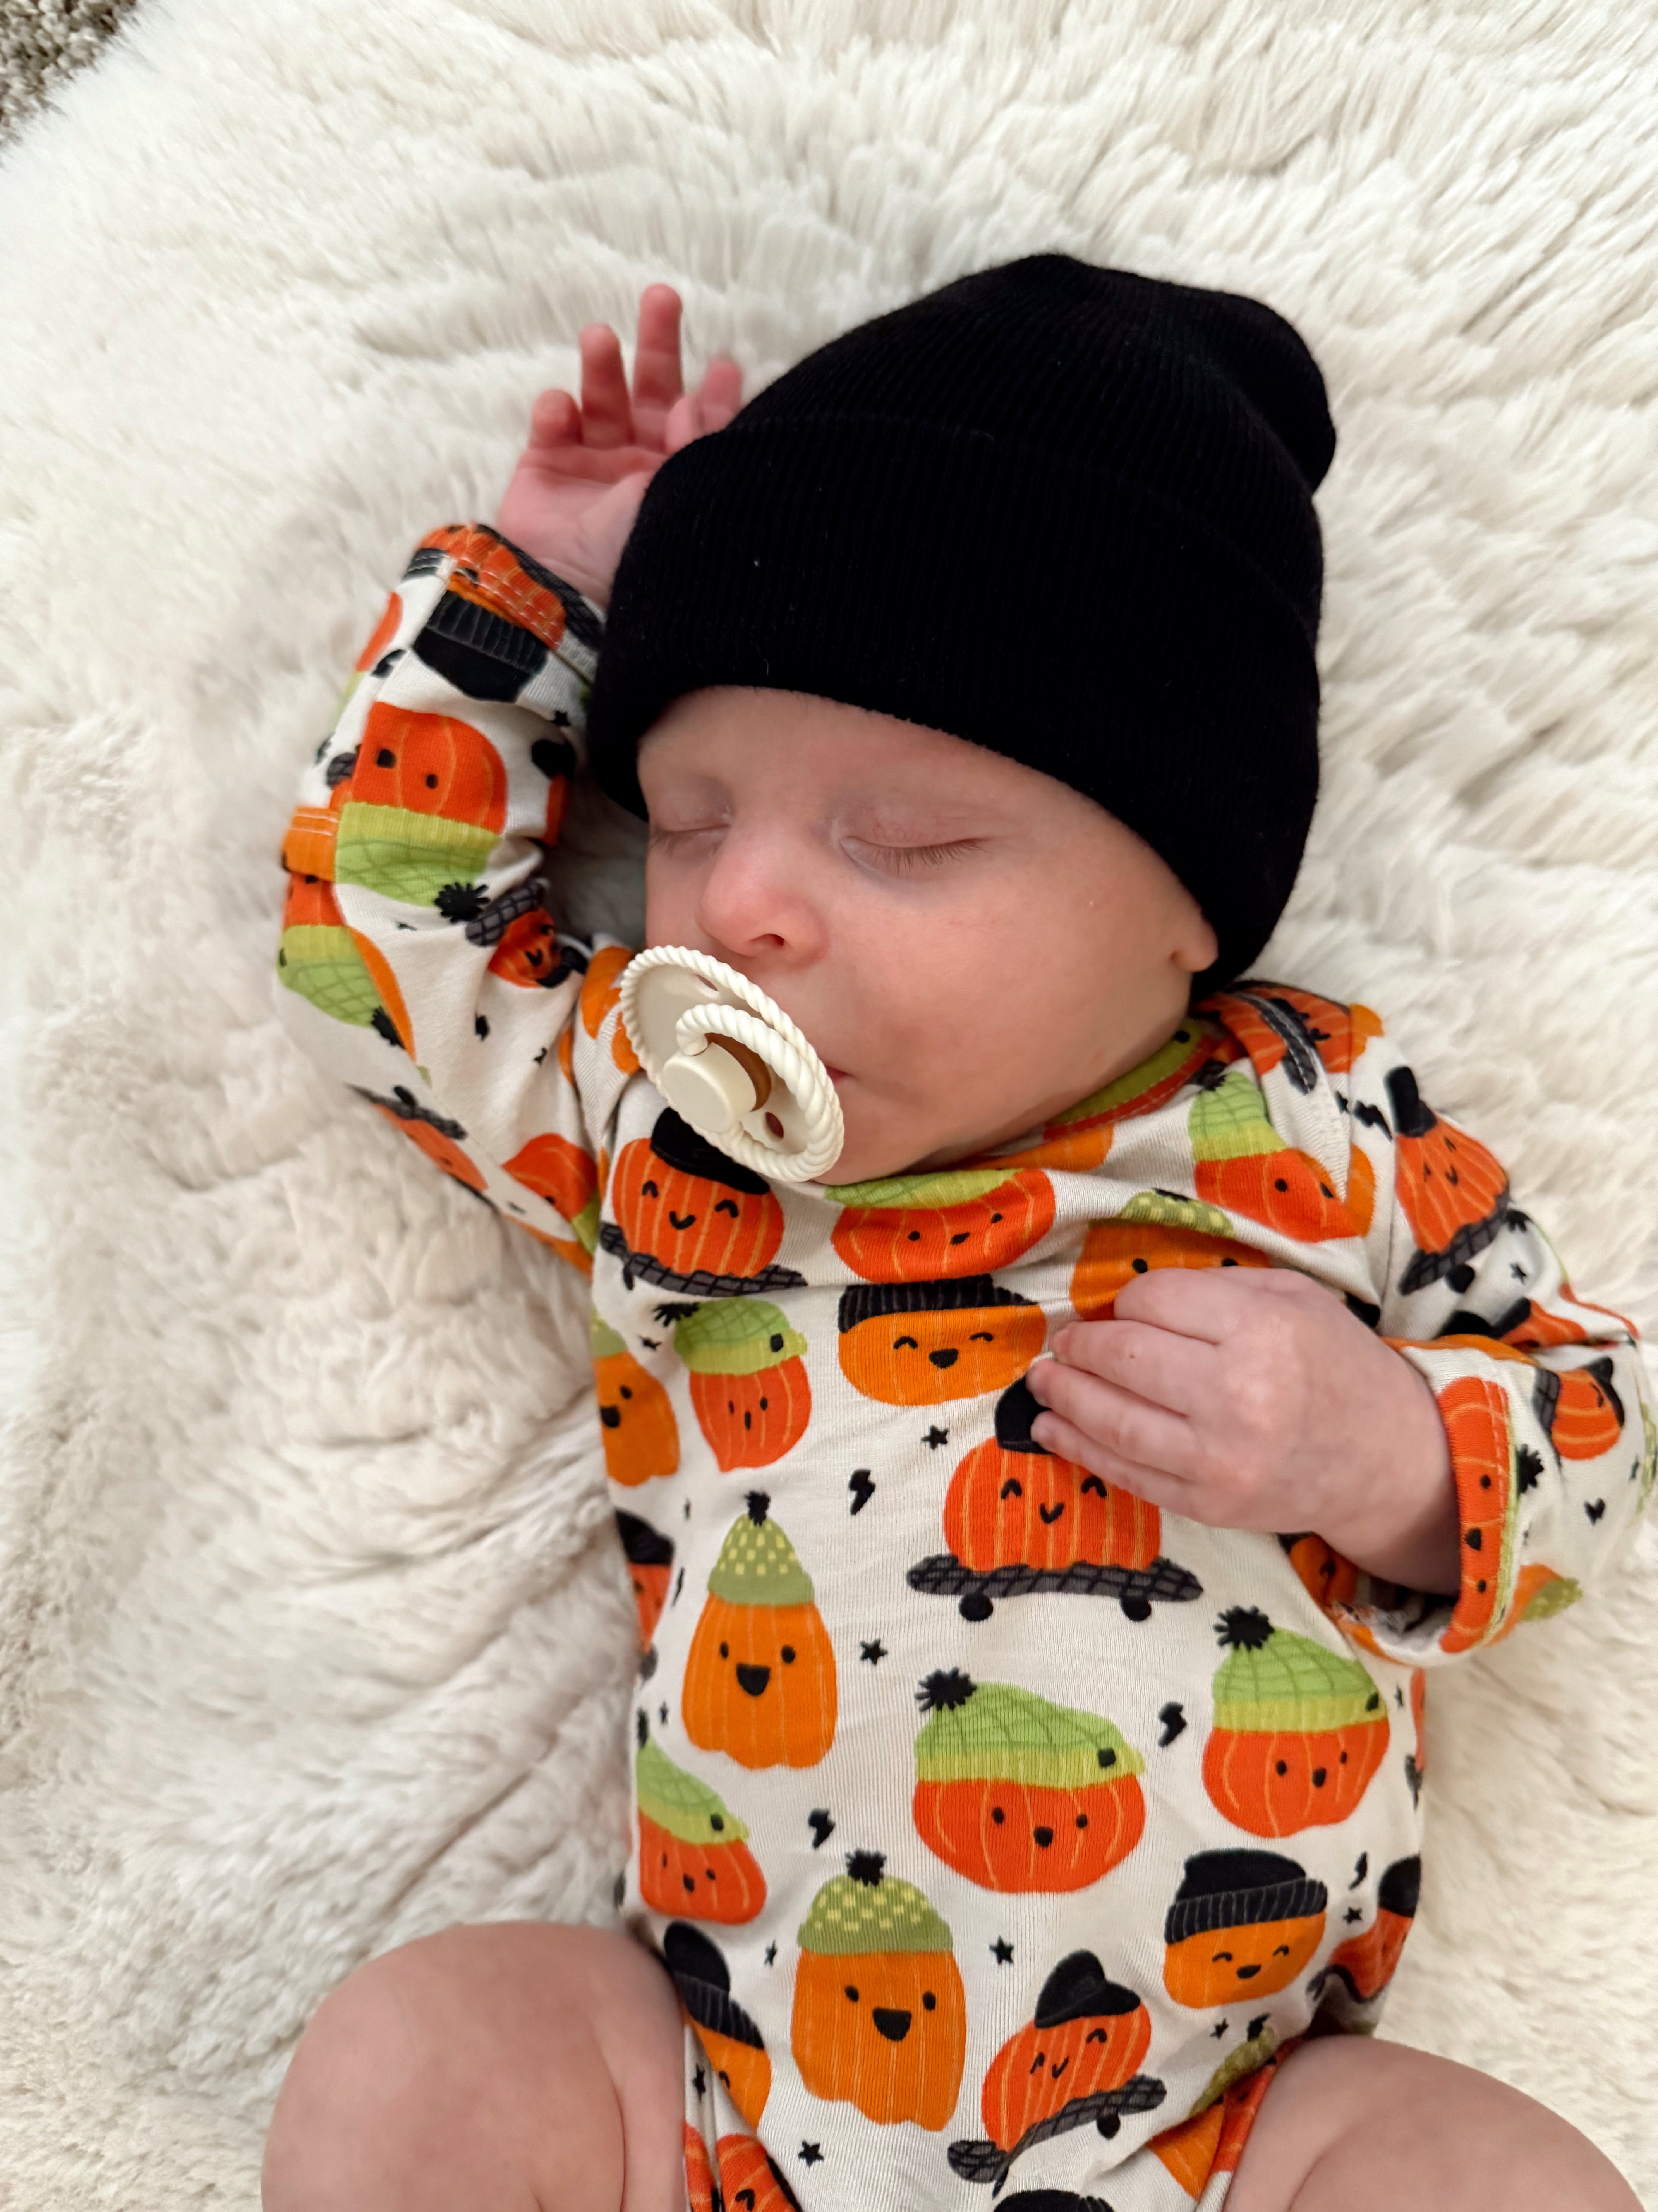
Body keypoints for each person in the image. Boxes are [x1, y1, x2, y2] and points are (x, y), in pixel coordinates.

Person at [259, 265, 1649, 2211]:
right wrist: (530, 599)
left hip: (1217, 2131)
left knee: (1505, 2184)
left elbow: (1598, 1418)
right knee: (423, 2060)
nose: (739, 903)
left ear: (1187, 910)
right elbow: (373, 957)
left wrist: (1391, 1452)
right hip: (720, 2101)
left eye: (898, 842)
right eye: (682, 814)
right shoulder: (675, 1138)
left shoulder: (1314, 1126)